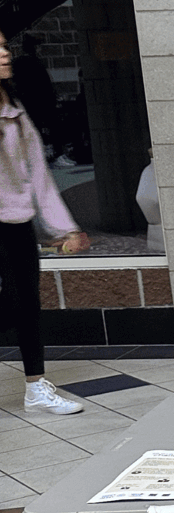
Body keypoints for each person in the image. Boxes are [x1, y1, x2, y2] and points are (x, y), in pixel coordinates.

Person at [0, 32, 89, 415]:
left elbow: (39, 175)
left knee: (27, 305)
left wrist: (62, 227)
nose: (6, 54)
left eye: (5, 45)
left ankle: (36, 388)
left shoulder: (13, 105)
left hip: (17, 222)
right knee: (12, 304)